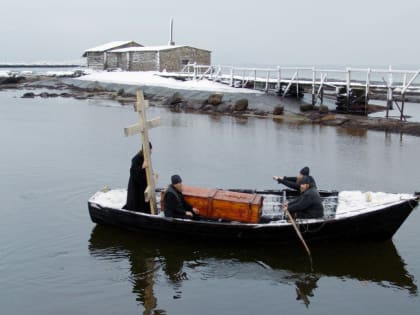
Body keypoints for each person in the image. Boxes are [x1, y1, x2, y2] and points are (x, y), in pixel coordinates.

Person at [123, 142, 152, 213]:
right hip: (136, 185)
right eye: (149, 150)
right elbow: (133, 172)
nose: (151, 152)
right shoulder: (136, 159)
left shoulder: (146, 157)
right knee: (137, 201)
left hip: (143, 183)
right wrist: (142, 167)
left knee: (144, 201)